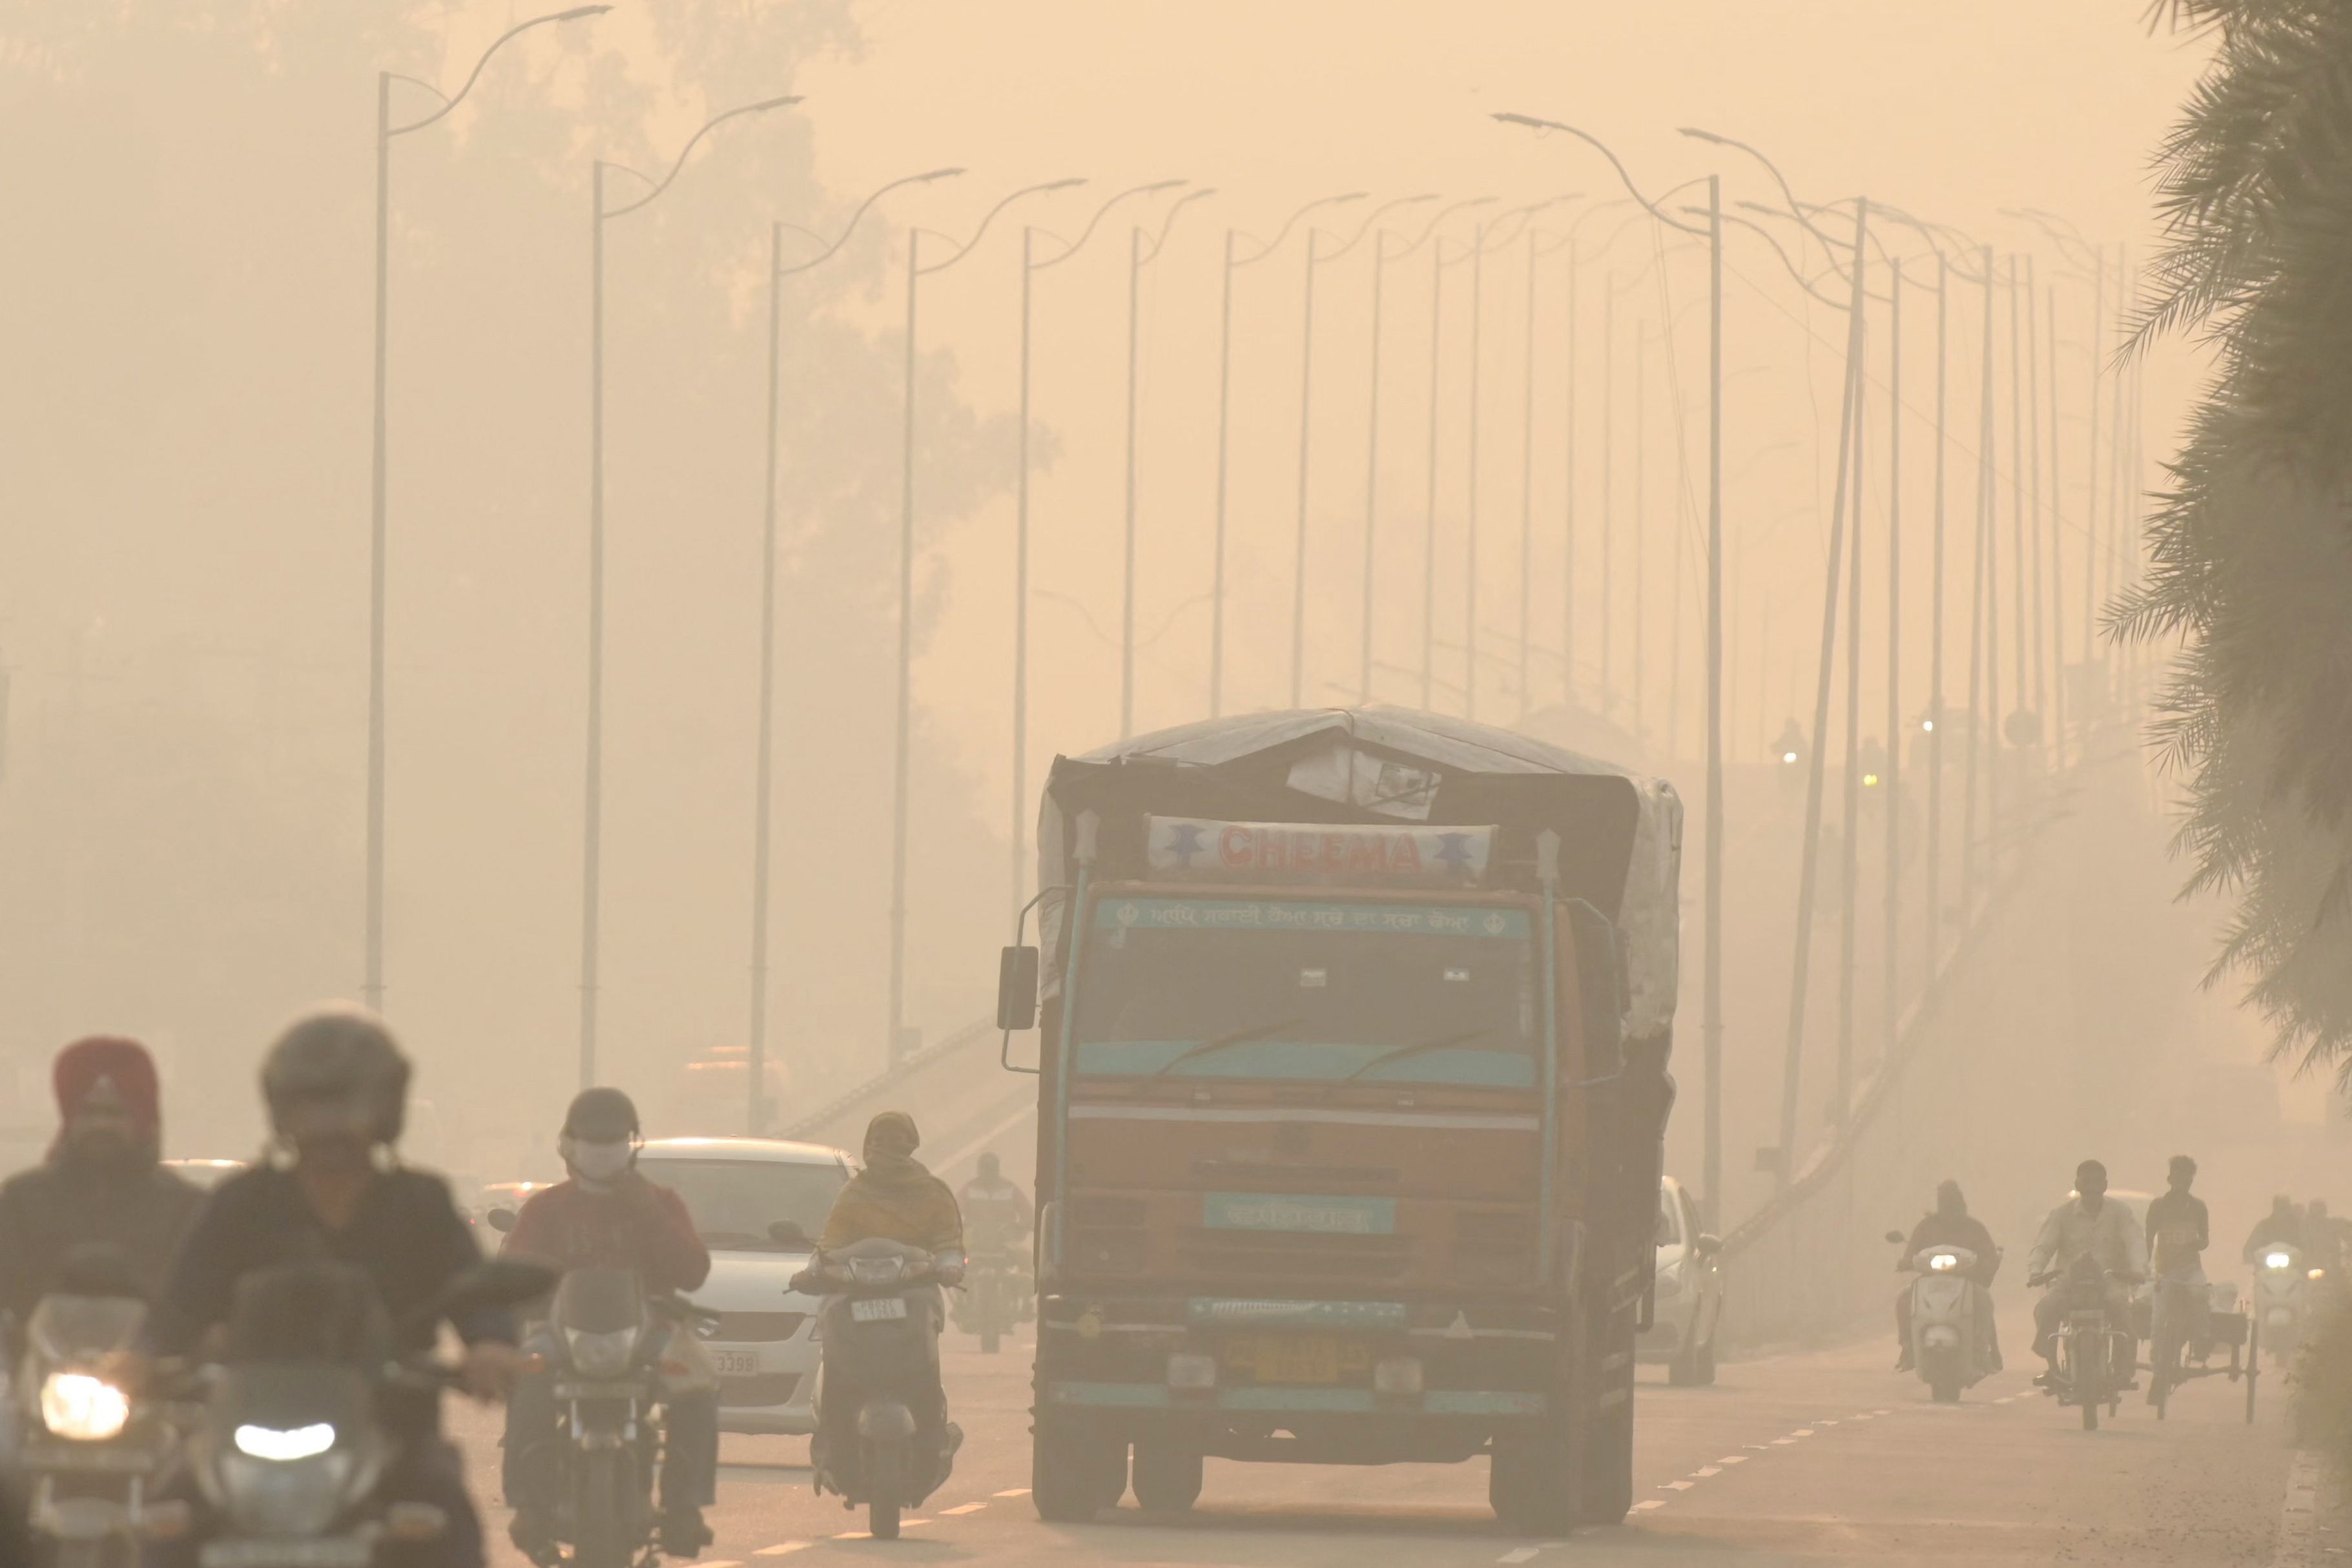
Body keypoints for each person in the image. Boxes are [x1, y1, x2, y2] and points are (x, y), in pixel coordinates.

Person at [149, 1007, 522, 1568]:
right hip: (241, 1425)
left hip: (392, 1429)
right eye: (311, 1104)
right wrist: (136, 1357)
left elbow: (475, 1290)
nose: (329, 1122)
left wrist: (491, 1345)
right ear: (282, 1110)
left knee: (448, 1519)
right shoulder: (242, 1204)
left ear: (386, 1108)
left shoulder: (420, 1203)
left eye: (346, 1102)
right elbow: (181, 1302)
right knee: (166, 1518)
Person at [498, 1088, 716, 1561]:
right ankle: (530, 1504)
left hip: (650, 1330)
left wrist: (649, 1215)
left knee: (699, 1383)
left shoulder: (660, 1202)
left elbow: (694, 1271)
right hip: (560, 1331)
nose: (603, 1148)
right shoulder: (547, 1208)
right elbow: (512, 1269)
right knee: (526, 1378)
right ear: (570, 1145)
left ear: (633, 1144)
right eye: (593, 1140)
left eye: (613, 1139)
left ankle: (685, 1506)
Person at [0, 1037, 207, 1338]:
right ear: (70, 1120)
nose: (101, 1125)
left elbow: (202, 1300)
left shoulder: (185, 1207)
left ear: (141, 1121)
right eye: (89, 1113)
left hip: (152, 1370)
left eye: (115, 1114)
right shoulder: (22, 1201)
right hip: (35, 1369)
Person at [807, 1113, 965, 1488]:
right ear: (867, 1144)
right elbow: (831, 1245)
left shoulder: (932, 1192)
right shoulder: (855, 1194)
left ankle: (933, 1441)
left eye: (895, 1142)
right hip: (853, 1293)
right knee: (837, 1373)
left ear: (911, 1145)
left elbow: (948, 1242)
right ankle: (832, 1446)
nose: (885, 1150)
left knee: (926, 1374)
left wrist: (949, 1266)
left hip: (914, 1292)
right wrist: (815, 1270)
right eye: (879, 1141)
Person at [2025, 1159, 2147, 1388]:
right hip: (2069, 1281)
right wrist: (2036, 1270)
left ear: (2105, 1185)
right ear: (2078, 1185)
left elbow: (2135, 1242)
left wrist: (2138, 1269)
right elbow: (2043, 1246)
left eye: (2096, 1183)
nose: (2091, 1189)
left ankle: (2124, 1367)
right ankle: (2052, 1366)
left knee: (2121, 1307)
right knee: (2047, 1307)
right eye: (2086, 1183)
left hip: (2108, 1280)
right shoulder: (2062, 1215)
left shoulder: (2120, 1213)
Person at [1892, 1179, 2001, 1373]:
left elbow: (1988, 1254)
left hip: (1967, 1283)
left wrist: (1985, 1265)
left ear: (1960, 1201)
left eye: (1952, 1200)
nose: (1948, 1205)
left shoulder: (1974, 1228)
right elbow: (1911, 1251)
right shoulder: (1926, 1226)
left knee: (1984, 1301)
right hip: (1928, 1283)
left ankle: (1980, 1351)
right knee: (1903, 1299)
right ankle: (1908, 1349)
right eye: (1944, 1200)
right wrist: (1906, 1261)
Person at [2145, 1155, 2213, 1390]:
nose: (2183, 1182)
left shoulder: (2198, 1207)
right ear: (2170, 1179)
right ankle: (2157, 1362)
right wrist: (2145, 1265)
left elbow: (2205, 1240)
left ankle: (2202, 1340)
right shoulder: (2158, 1207)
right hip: (2164, 1271)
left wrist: (2196, 1242)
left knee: (2200, 1296)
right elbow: (2148, 1237)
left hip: (2191, 1270)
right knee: (2158, 1318)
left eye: (2188, 1178)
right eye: (2179, 1177)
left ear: (2191, 1180)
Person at [2244, 1195, 2307, 1264]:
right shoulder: (2265, 1226)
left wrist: (2306, 1256)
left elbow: (2306, 1243)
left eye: (2284, 1208)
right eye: (2279, 1208)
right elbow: (2252, 1244)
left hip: (2294, 1266)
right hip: (2265, 1266)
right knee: (2256, 1275)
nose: (2282, 1211)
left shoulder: (2297, 1226)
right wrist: (2249, 1255)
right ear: (2275, 1208)